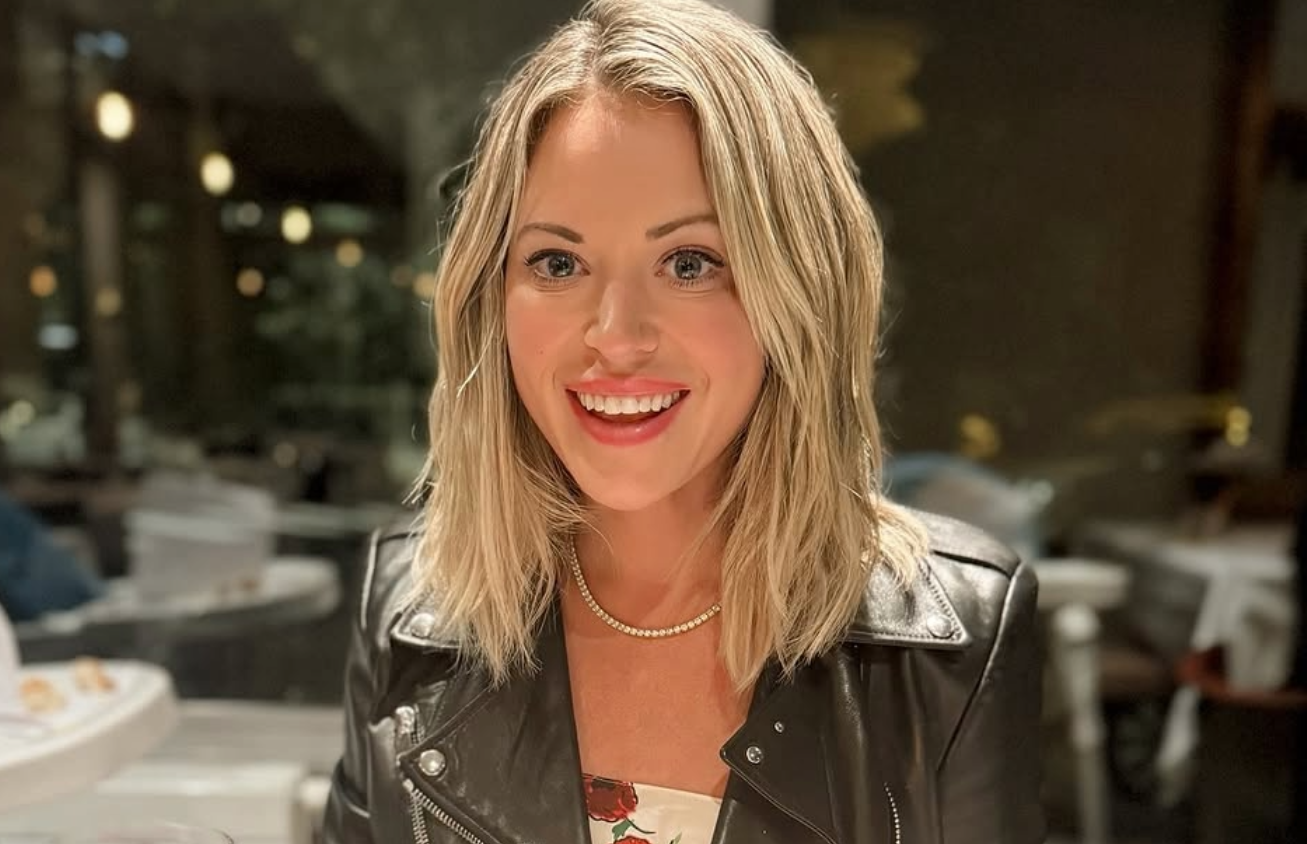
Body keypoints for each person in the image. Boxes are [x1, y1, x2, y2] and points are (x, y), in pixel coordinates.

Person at [324, 1, 1043, 842]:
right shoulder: (407, 609)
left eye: (690, 263)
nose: (616, 336)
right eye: (558, 262)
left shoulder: (956, 645)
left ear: (800, 292)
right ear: (492, 297)